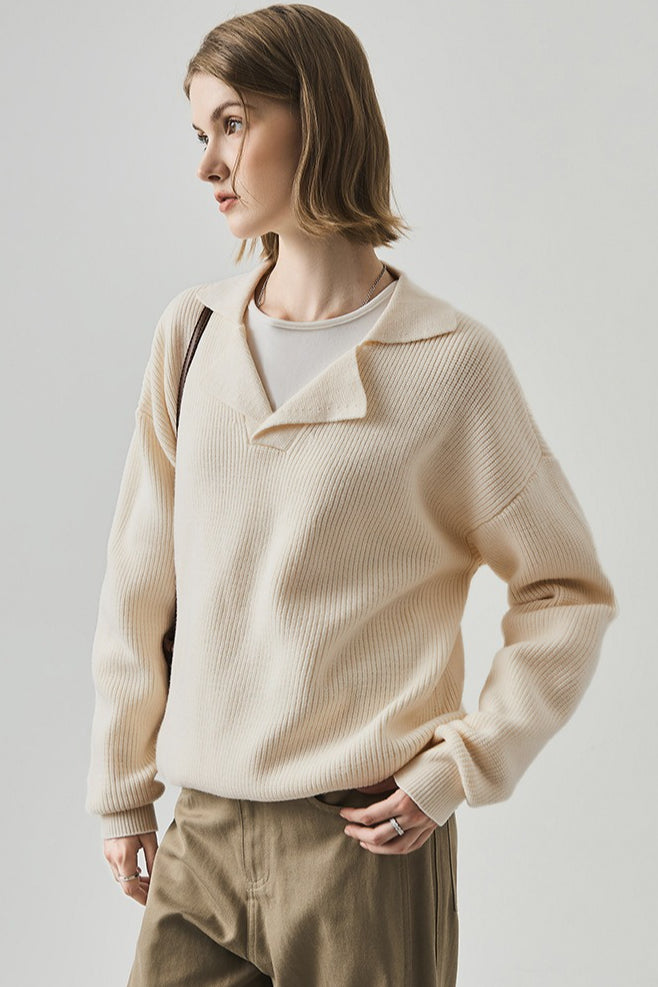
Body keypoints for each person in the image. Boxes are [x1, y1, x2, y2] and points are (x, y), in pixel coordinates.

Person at [85, 5, 618, 986]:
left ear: (320, 118)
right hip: (199, 834)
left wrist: (457, 767)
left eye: (234, 123)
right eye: (200, 134)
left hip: (361, 847)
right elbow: (140, 576)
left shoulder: (449, 364)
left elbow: (565, 593)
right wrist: (122, 786)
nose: (208, 165)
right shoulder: (192, 334)